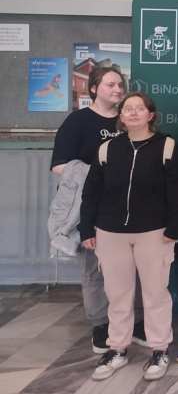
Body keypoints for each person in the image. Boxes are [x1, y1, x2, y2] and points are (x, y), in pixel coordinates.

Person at [79, 92, 178, 381]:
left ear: (150, 115)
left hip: (154, 233)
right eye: (128, 109)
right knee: (117, 294)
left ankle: (159, 349)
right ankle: (117, 348)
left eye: (139, 108)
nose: (133, 113)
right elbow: (91, 192)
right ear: (121, 116)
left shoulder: (167, 146)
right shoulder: (107, 149)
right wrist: (87, 229)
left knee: (156, 294)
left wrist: (174, 229)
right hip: (110, 233)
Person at [50, 67, 146, 353]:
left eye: (120, 85)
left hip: (129, 207)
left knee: (134, 267)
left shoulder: (127, 120)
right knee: (94, 268)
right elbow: (59, 166)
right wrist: (100, 175)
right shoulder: (78, 121)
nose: (117, 89)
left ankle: (136, 322)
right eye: (110, 84)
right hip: (91, 207)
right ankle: (101, 325)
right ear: (93, 88)